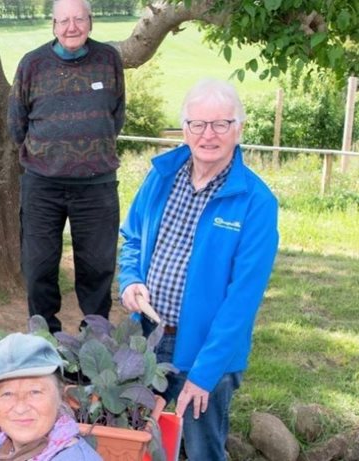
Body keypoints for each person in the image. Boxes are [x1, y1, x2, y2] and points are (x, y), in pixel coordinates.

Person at [118, 78, 279, 460]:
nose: (208, 134)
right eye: (198, 124)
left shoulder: (256, 202)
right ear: (185, 129)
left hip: (210, 350)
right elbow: (133, 238)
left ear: (238, 130)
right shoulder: (161, 177)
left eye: (221, 124)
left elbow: (242, 301)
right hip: (150, 337)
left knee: (203, 448)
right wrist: (130, 281)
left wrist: (204, 374)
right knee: (140, 438)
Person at [8, 0, 125, 333]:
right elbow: (16, 124)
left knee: (98, 265)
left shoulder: (109, 60)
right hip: (43, 185)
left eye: (79, 20)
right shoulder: (32, 64)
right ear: (53, 25)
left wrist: (87, 148)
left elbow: (115, 115)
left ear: (91, 22)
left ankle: (93, 342)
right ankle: (46, 338)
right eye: (63, 21)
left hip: (97, 184)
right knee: (39, 265)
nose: (71, 27)